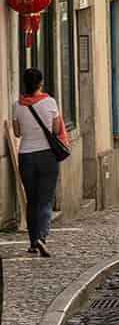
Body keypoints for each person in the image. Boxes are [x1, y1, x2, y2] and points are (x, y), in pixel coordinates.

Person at [12, 68, 69, 257]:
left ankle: (32, 241)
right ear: (41, 83)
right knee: (45, 201)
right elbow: (55, 128)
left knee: (32, 201)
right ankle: (41, 238)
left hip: (26, 155)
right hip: (47, 156)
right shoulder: (50, 102)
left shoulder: (17, 105)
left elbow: (17, 133)